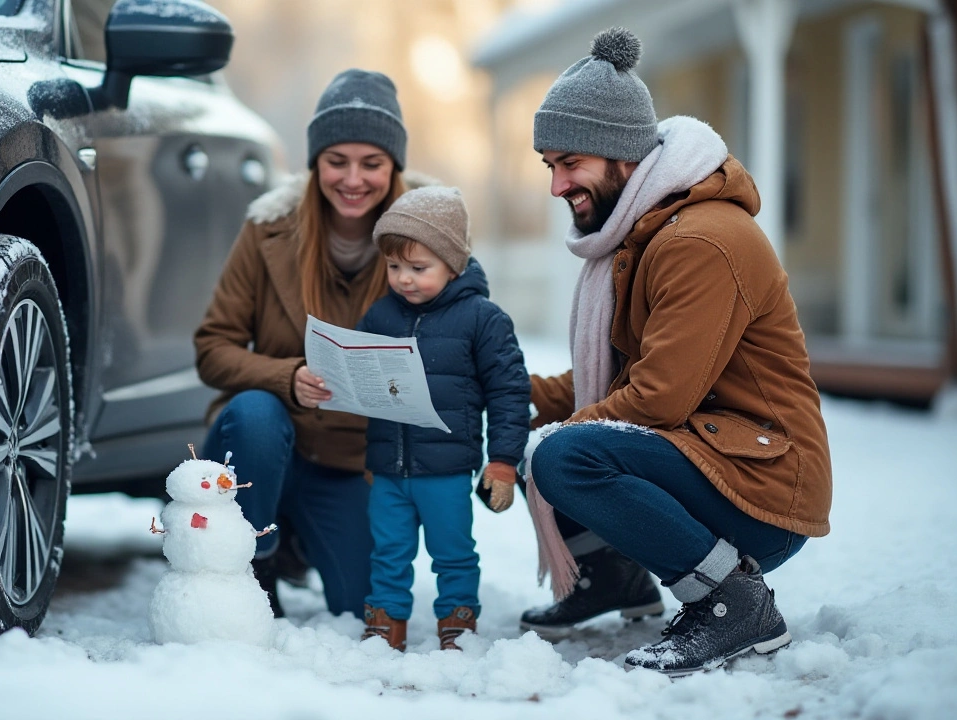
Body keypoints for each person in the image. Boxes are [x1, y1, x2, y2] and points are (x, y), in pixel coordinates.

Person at [518, 27, 832, 677]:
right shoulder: (644, 235)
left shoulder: (699, 241)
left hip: (762, 484)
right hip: (714, 455)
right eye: (550, 165)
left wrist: (546, 440)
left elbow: (657, 397)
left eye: (570, 162)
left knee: (564, 455)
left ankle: (731, 605)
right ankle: (610, 579)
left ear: (620, 155)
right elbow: (613, 377)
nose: (557, 186)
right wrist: (504, 395)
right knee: (532, 433)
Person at [195, 68, 427, 619]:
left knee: (364, 607)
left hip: (351, 463)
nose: (353, 179)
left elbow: (465, 352)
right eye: (336, 161)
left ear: (393, 168)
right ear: (314, 163)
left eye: (371, 163)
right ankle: (253, 556)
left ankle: (297, 536)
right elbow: (213, 346)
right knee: (255, 412)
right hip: (265, 442)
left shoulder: (428, 240)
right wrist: (286, 378)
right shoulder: (267, 230)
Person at [355, 187, 529, 651]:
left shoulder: (482, 319)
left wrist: (504, 461)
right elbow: (362, 379)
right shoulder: (379, 316)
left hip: (447, 469)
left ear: (453, 265)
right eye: (394, 268)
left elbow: (509, 391)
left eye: (418, 268)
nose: (404, 280)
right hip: (389, 468)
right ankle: (385, 621)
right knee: (388, 551)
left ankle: (456, 620)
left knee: (452, 552)